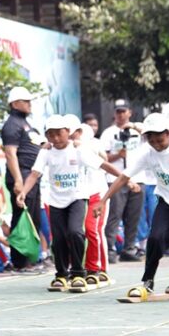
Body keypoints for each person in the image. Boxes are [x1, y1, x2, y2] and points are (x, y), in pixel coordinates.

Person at [96, 113, 169, 296]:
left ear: (168, 134)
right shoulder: (146, 153)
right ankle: (148, 282)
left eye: (160, 139)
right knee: (155, 239)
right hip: (166, 201)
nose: (157, 144)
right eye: (151, 140)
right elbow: (123, 177)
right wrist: (103, 201)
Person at [17, 115, 123, 290]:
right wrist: (23, 192)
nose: (56, 139)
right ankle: (61, 274)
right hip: (56, 201)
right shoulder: (46, 152)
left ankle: (78, 273)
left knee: (76, 233)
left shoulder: (78, 150)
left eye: (59, 134)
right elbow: (35, 174)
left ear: (68, 132)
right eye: (51, 135)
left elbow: (102, 164)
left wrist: (124, 177)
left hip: (77, 198)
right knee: (58, 239)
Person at [1, 87, 45, 273]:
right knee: (22, 218)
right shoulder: (12, 125)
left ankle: (30, 259)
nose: (29, 104)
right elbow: (11, 154)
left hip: (32, 176)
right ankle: (20, 262)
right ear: (14, 103)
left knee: (33, 218)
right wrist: (19, 181)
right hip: (22, 175)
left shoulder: (26, 124)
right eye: (25, 101)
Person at [100, 99, 145, 263]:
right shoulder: (108, 133)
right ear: (114, 114)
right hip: (116, 179)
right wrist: (118, 155)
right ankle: (110, 249)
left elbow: (148, 133)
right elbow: (103, 158)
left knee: (134, 217)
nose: (120, 114)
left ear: (130, 112)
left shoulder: (137, 129)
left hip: (138, 178)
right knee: (114, 215)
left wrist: (132, 126)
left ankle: (129, 248)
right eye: (118, 111)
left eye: (123, 111)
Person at [68, 118, 112, 283]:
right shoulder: (65, 147)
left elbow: (104, 159)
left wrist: (84, 148)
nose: (73, 136)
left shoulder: (92, 143)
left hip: (98, 193)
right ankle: (80, 267)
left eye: (75, 132)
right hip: (79, 195)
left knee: (93, 230)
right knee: (76, 231)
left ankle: (100, 269)